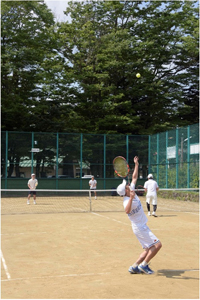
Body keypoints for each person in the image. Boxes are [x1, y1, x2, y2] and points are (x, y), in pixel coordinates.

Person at [116, 156, 162, 275]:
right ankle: (144, 265)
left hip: (140, 227)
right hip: (140, 227)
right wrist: (131, 198)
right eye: (126, 186)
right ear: (125, 191)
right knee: (157, 245)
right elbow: (126, 211)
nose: (128, 185)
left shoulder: (130, 189)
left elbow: (135, 177)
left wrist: (136, 164)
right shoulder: (126, 201)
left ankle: (134, 266)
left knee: (148, 249)